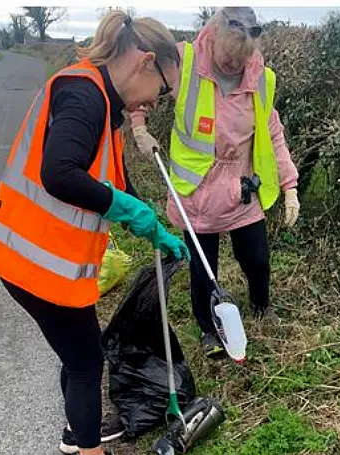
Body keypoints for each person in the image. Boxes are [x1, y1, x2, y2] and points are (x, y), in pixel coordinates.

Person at [0, 10, 189, 455]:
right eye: (164, 88)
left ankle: (79, 432)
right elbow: (60, 173)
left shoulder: (99, 97)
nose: (158, 101)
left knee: (79, 351)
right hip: (35, 259)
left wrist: (148, 221)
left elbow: (110, 178)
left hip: (43, 258)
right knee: (85, 360)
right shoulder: (83, 93)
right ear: (146, 62)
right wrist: (126, 208)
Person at [130, 7, 300, 358]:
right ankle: (209, 330)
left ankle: (261, 306)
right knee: (201, 267)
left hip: (240, 190)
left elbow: (273, 134)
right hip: (197, 190)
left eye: (240, 59)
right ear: (215, 35)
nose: (232, 65)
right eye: (226, 56)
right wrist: (138, 124)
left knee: (256, 259)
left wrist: (290, 186)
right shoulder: (184, 61)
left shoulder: (262, 79)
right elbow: (144, 81)